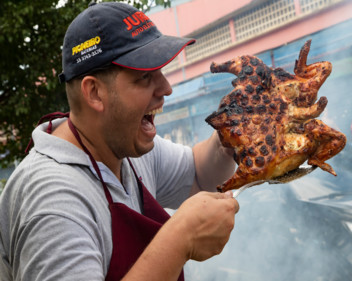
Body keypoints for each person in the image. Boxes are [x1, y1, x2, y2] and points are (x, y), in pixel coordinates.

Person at [0, 2, 239, 281]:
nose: (166, 89)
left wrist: (228, 137)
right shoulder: (53, 202)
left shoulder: (123, 145)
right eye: (145, 77)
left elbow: (198, 175)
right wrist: (179, 238)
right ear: (95, 93)